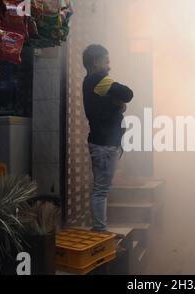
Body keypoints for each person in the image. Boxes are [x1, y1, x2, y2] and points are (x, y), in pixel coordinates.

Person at [82, 44, 134, 233]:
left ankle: (100, 228)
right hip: (104, 145)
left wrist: (116, 106)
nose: (109, 65)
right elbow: (128, 94)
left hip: (103, 143)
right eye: (106, 60)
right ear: (96, 62)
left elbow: (109, 106)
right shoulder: (98, 79)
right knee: (101, 190)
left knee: (101, 189)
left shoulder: (90, 81)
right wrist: (119, 105)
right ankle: (100, 230)